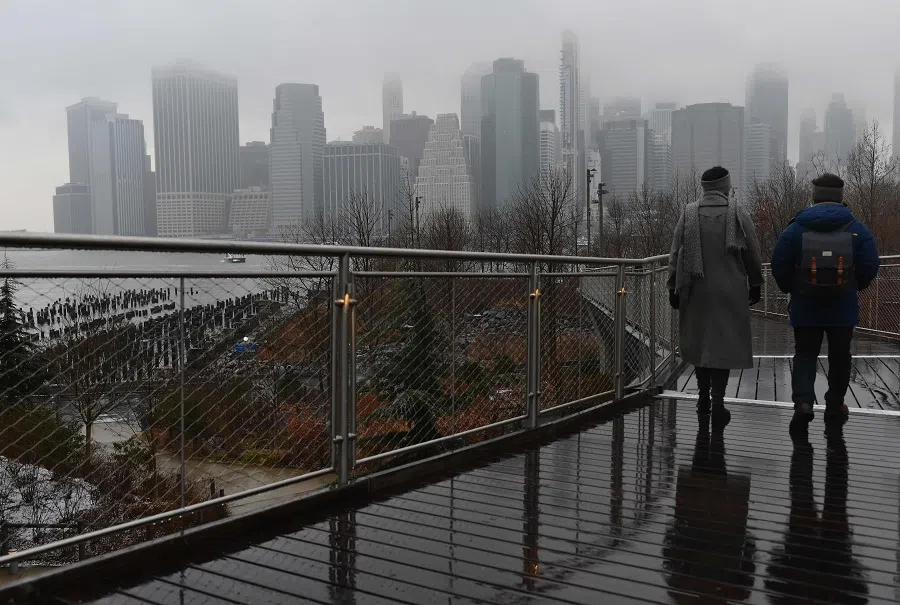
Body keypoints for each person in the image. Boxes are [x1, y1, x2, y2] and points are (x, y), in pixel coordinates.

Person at [770, 173, 880, 437]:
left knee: (805, 354)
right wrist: (853, 286)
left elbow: (779, 264)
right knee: (840, 357)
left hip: (805, 305)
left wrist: (793, 288)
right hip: (842, 307)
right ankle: (834, 405)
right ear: (840, 197)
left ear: (814, 195)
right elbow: (871, 263)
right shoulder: (856, 227)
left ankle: (804, 403)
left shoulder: (796, 228)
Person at [668, 166, 764, 427]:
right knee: (722, 345)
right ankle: (719, 402)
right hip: (729, 292)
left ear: (704, 187)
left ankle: (702, 397)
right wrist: (755, 283)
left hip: (695, 290)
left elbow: (676, 253)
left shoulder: (688, 214)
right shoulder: (737, 212)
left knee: (701, 343)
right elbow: (751, 252)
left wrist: (672, 287)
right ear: (726, 186)